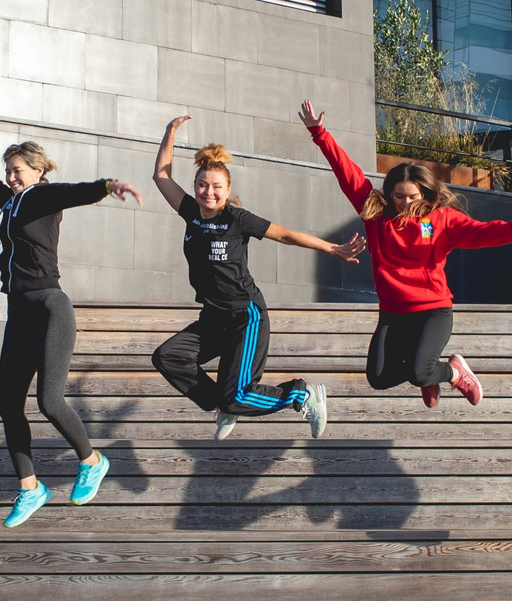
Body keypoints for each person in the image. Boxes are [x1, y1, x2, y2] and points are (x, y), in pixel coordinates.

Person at [0, 99, 141, 527]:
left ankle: (92, 460)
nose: (10, 177)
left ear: (38, 171)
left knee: (49, 400)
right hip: (19, 312)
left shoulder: (41, 197)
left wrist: (108, 185)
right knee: (8, 406)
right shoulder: (10, 203)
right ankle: (30, 488)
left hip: (50, 307)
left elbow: (72, 191)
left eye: (18, 170)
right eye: (10, 171)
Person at [299, 100, 512, 405]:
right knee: (377, 378)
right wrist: (319, 133)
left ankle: (454, 372)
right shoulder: (376, 214)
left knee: (419, 371)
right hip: (393, 312)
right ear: (390, 193)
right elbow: (347, 173)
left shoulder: (442, 220)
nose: (405, 203)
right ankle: (430, 373)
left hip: (433, 311)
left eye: (412, 197)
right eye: (399, 196)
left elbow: (486, 233)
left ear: (425, 194)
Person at [148, 116, 363, 440]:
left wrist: (332, 249)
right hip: (213, 318)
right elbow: (161, 175)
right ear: (195, 187)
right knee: (167, 356)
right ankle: (223, 404)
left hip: (243, 317)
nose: (209, 192)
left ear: (228, 189)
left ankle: (301, 394)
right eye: (203, 185)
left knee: (238, 393)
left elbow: (286, 235)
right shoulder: (191, 213)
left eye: (216, 187)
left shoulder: (236, 219)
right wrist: (170, 132)